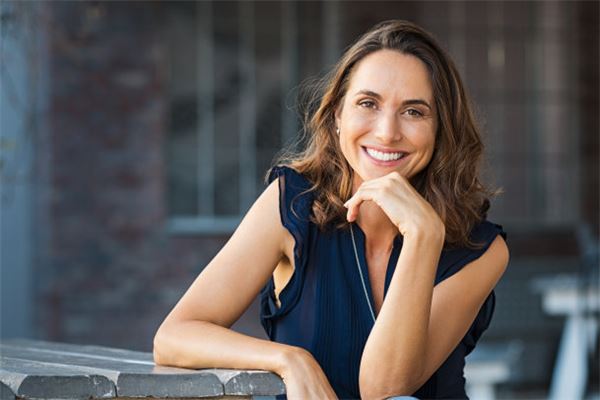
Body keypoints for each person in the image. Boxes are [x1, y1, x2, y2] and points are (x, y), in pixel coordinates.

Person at [153, 19, 509, 400]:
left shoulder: (482, 249)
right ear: (338, 115)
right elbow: (174, 336)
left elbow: (383, 389)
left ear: (441, 129)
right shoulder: (291, 203)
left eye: (414, 112)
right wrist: (290, 360)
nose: (387, 132)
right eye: (368, 104)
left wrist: (424, 236)